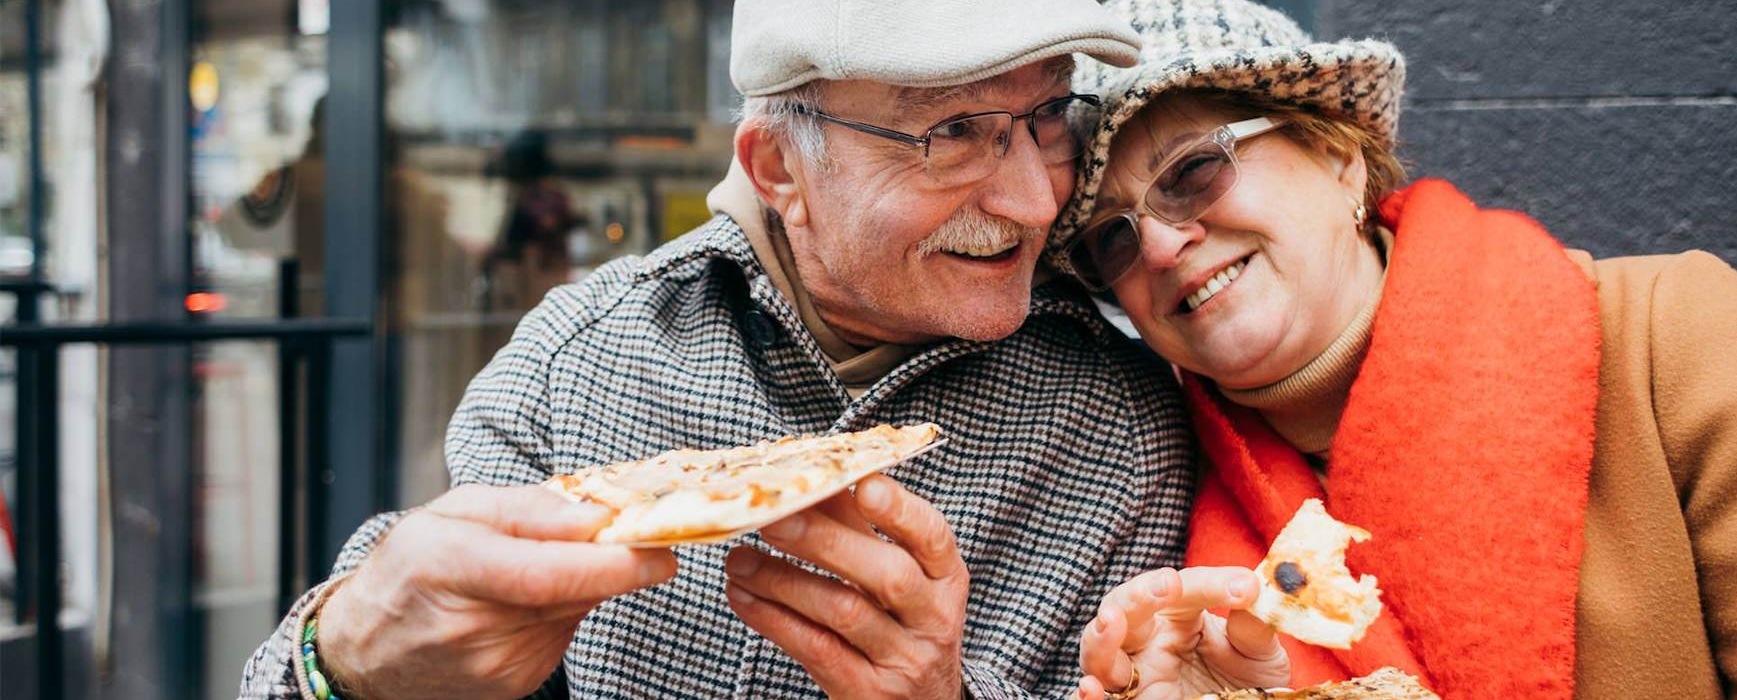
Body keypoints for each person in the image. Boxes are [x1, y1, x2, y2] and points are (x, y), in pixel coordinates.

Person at [239, 2, 1293, 698]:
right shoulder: (580, 358)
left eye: (1047, 116)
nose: (1031, 198)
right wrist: (345, 663)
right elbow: (358, 656)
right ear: (779, 164)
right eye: (953, 133)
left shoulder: (1122, 427)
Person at [1053, 1, 1737, 699]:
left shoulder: (1669, 337)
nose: (1155, 245)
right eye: (1110, 239)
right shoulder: (1151, 502)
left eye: (1193, 171)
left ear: (1336, 151)